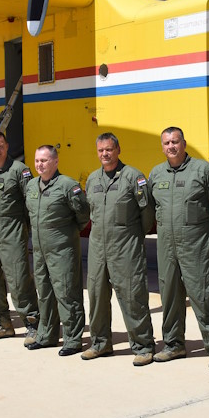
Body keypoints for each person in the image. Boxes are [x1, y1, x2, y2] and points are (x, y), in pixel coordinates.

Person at [148, 127, 209, 369]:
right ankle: (173, 345)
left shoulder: (203, 170)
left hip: (196, 245)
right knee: (170, 296)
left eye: (175, 141)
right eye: (166, 143)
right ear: (162, 146)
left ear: (183, 143)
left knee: (204, 295)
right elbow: (150, 208)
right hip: (167, 246)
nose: (171, 146)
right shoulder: (156, 173)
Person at [84, 133, 156, 366]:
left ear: (118, 150)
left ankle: (143, 346)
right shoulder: (92, 179)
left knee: (133, 297)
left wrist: (133, 237)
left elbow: (147, 215)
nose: (105, 154)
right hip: (97, 249)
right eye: (101, 150)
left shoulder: (134, 177)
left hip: (126, 248)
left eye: (109, 149)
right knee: (96, 296)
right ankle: (100, 343)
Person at [24, 145, 90, 356]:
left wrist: (66, 235)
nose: (39, 165)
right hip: (40, 251)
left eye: (44, 160)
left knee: (67, 293)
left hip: (62, 250)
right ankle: (46, 335)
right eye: (37, 161)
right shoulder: (32, 186)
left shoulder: (68, 186)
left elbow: (83, 215)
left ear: (55, 161)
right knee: (44, 293)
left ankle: (72, 339)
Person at [0, 131, 40, 342]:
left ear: (7, 146)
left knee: (19, 279)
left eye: (0, 146)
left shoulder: (19, 171)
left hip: (13, 230)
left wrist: (27, 230)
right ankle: (2, 323)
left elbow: (30, 201)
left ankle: (33, 324)